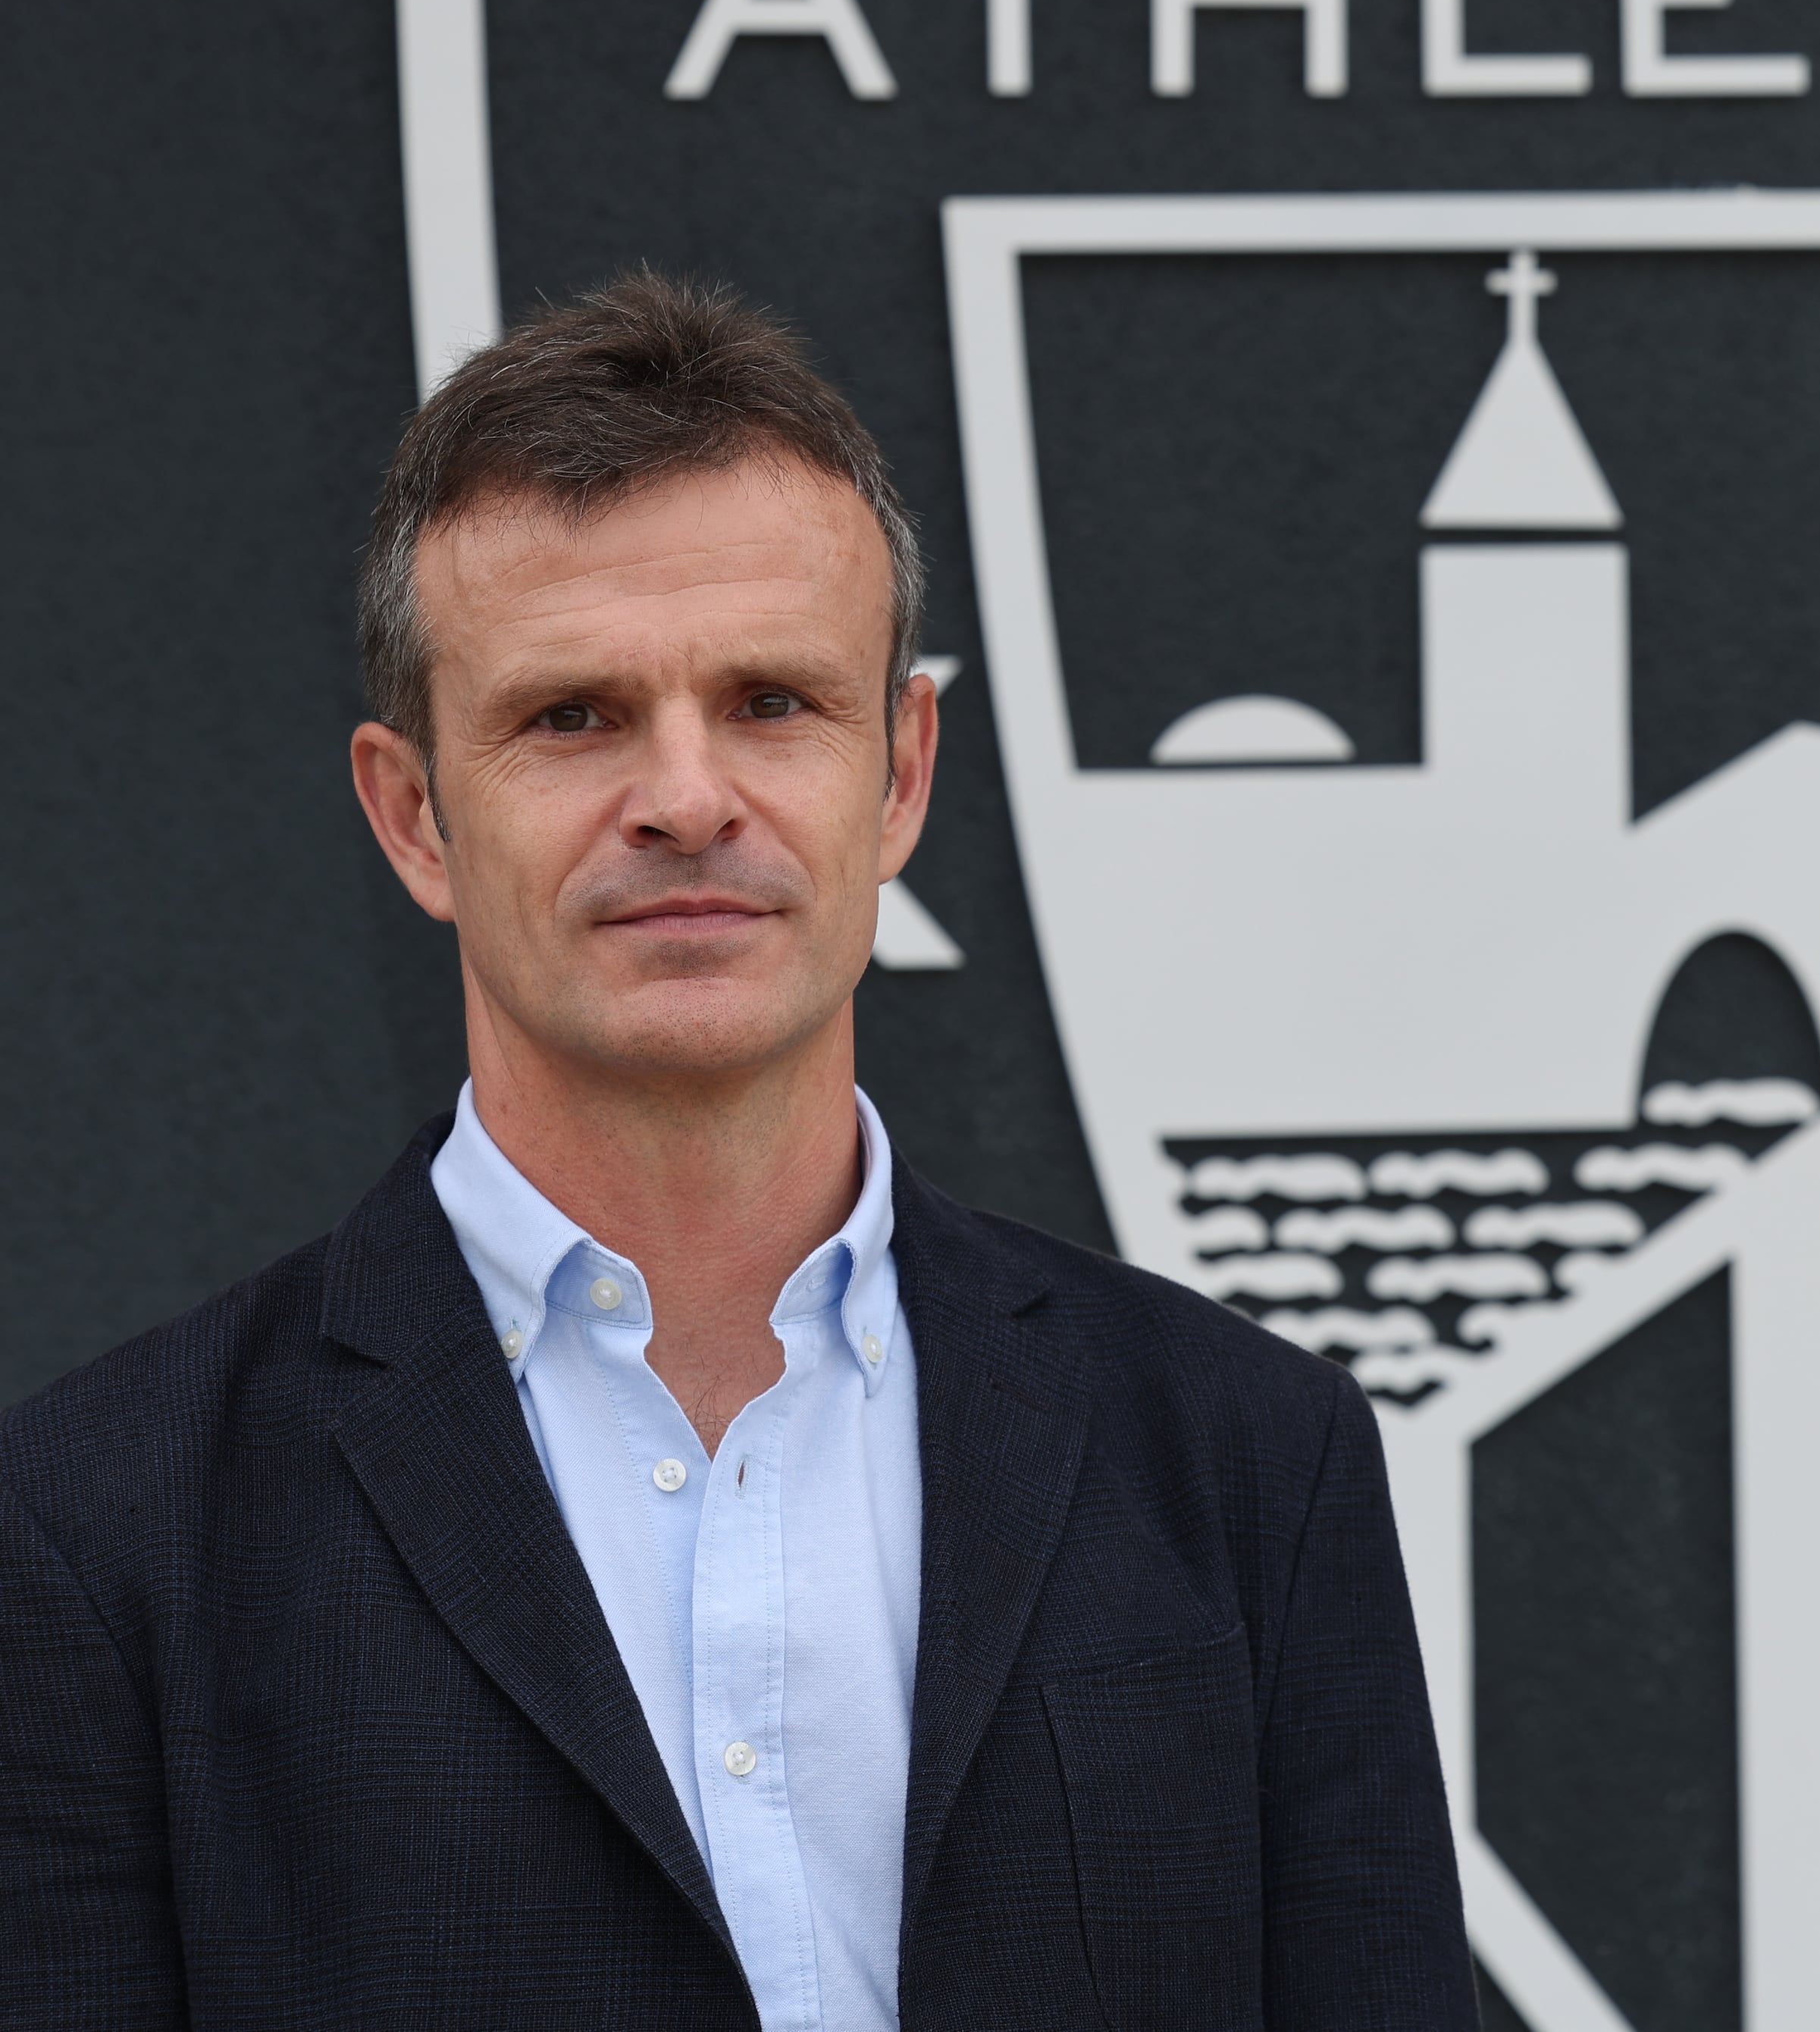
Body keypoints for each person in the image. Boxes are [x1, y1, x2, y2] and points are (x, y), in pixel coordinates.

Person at [0, 275, 1477, 2030]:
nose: (688, 795)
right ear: (414, 812)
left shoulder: (1248, 1456)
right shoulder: (98, 1534)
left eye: (774, 700)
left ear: (904, 769)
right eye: (574, 715)